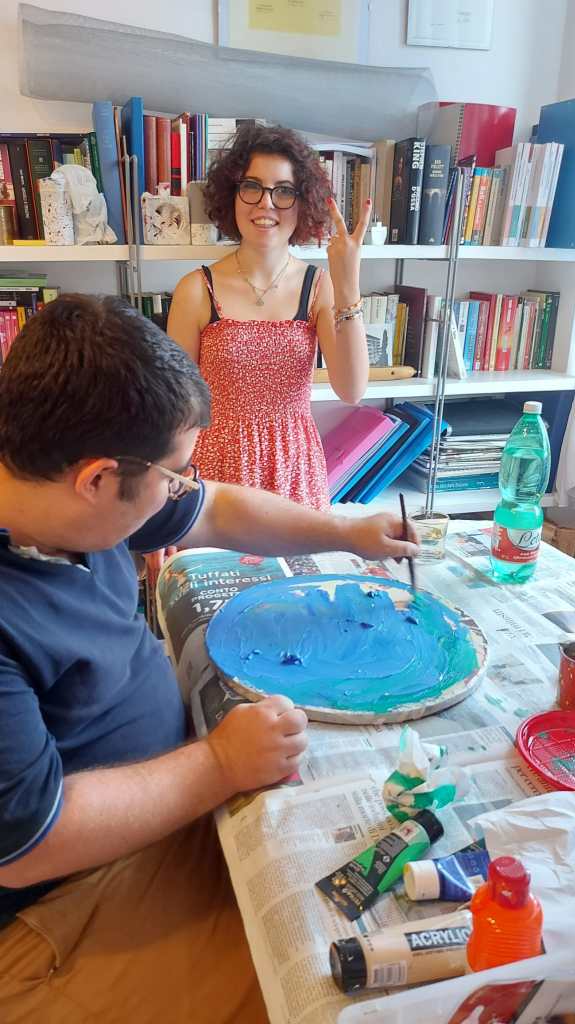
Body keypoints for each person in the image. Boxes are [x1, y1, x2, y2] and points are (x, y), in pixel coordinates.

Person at [0, 294, 417, 1024]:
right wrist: (219, 764)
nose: (181, 490)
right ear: (97, 480)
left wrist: (346, 533)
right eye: (173, 475)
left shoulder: (52, 486)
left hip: (155, 816)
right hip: (57, 908)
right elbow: (31, 843)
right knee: (344, 985)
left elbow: (215, 508)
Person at [167, 122, 371, 511]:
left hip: (294, 469)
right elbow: (176, 410)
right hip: (217, 473)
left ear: (303, 202)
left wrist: (348, 285)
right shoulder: (196, 290)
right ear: (232, 194)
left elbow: (352, 390)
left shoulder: (319, 287)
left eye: (284, 191)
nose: (266, 203)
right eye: (252, 187)